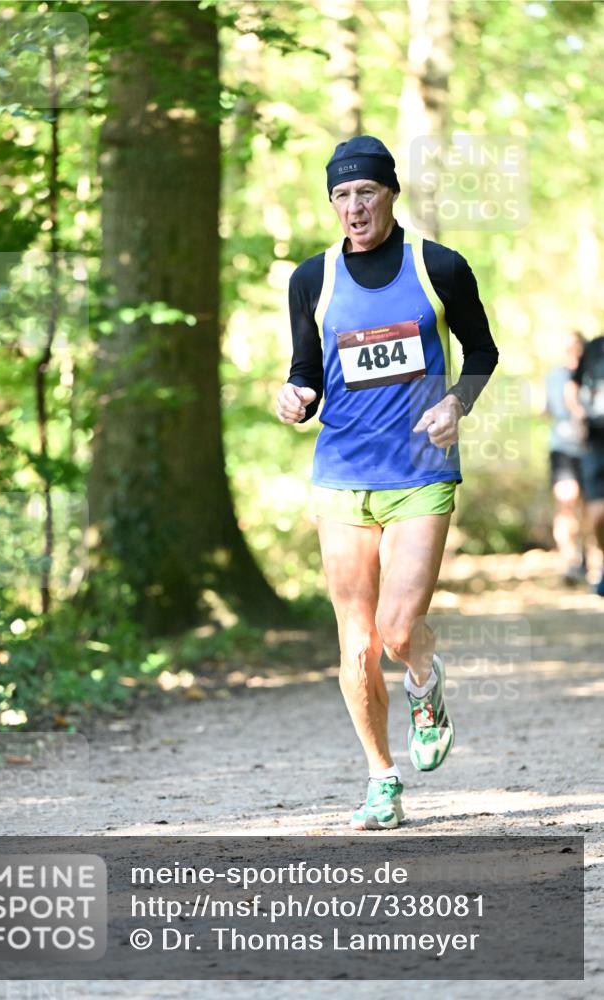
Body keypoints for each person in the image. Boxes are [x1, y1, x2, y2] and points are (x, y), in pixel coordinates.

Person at [276, 136, 498, 830]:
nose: (353, 206)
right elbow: (305, 367)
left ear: (389, 194)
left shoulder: (435, 266)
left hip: (419, 474)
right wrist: (293, 395)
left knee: (398, 630)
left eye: (364, 192)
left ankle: (424, 683)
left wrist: (455, 402)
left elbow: (482, 352)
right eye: (340, 195)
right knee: (355, 642)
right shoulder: (311, 279)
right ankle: (380, 777)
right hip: (341, 476)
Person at [545, 332, 587, 585]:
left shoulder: (595, 374)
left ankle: (586, 558)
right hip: (562, 447)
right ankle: (570, 560)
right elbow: (546, 409)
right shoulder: (553, 377)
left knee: (589, 509)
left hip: (591, 448)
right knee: (567, 500)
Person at [566, 334, 604, 597]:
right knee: (598, 513)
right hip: (596, 439)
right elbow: (573, 385)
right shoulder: (594, 347)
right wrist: (579, 415)